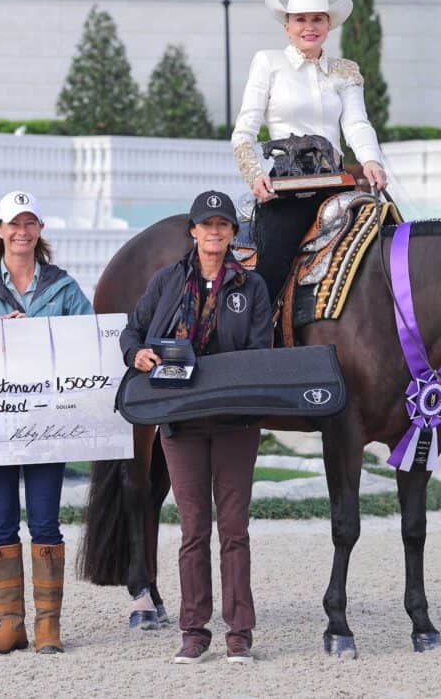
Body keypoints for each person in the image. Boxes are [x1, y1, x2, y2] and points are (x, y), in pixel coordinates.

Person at [120, 190, 273, 665]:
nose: (214, 232)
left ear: (232, 234)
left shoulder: (252, 288)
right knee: (192, 529)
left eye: (222, 225)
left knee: (234, 529)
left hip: (233, 421)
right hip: (181, 420)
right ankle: (194, 629)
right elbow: (133, 330)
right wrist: (137, 354)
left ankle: (239, 631)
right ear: (193, 231)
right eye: (206, 225)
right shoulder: (167, 281)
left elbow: (260, 349)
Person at [0, 190, 93, 655]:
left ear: (40, 231)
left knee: (46, 524)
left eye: (30, 223)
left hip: (46, 425)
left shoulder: (64, 288)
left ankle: (48, 625)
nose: (22, 232)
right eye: (14, 224)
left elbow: (88, 344)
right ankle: (10, 623)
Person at [231, 0, 389, 302]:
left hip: (337, 186)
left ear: (329, 25)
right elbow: (244, 131)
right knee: (272, 268)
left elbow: (357, 123)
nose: (309, 27)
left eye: (317, 19)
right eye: (300, 20)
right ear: (287, 26)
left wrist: (372, 160)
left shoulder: (346, 71)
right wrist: (254, 174)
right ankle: (255, 337)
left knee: (382, 244)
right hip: (287, 190)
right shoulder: (268, 62)